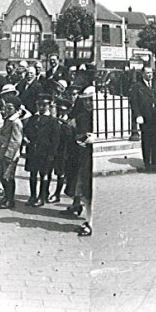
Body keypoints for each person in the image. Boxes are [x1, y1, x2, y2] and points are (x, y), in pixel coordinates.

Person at [23, 94, 61, 206]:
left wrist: (52, 154)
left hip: (45, 152)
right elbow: (27, 131)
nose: (41, 107)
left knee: (44, 175)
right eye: (39, 105)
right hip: (33, 151)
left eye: (44, 105)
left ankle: (42, 196)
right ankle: (33, 196)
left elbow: (55, 140)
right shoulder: (33, 119)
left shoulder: (52, 121)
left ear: (49, 106)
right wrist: (26, 139)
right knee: (33, 174)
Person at [0, 95, 24, 209]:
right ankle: (6, 197)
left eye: (10, 108)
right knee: (2, 176)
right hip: (2, 151)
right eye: (6, 108)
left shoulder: (15, 122)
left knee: (8, 177)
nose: (7, 110)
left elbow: (16, 141)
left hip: (10, 154)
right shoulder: (7, 120)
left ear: (16, 109)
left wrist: (9, 155)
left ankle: (10, 200)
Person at [73, 86, 96, 236]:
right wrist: (81, 138)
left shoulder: (100, 117)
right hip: (84, 156)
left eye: (91, 100)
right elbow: (76, 135)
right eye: (86, 100)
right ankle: (88, 221)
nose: (88, 103)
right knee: (86, 190)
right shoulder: (81, 117)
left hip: (94, 156)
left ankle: (91, 222)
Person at [49, 98, 75, 203]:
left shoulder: (68, 123)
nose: (61, 112)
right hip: (54, 149)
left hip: (64, 151)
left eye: (63, 110)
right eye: (59, 110)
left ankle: (57, 194)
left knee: (61, 173)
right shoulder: (55, 120)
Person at [131, 67, 156, 171]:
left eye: (151, 73)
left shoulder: (155, 84)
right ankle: (147, 162)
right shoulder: (137, 86)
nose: (150, 75)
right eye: (147, 73)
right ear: (143, 74)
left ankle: (155, 161)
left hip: (155, 117)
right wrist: (138, 115)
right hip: (145, 117)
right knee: (146, 140)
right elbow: (134, 102)